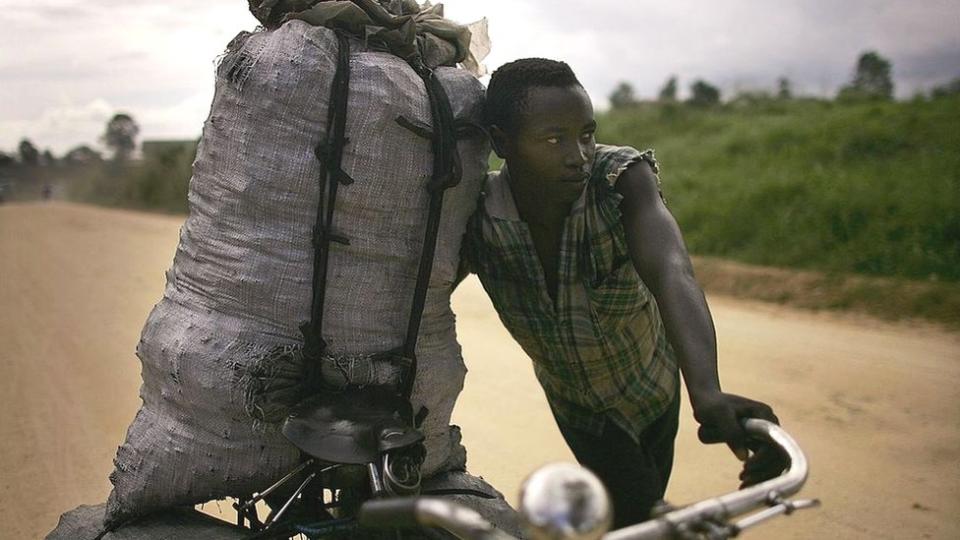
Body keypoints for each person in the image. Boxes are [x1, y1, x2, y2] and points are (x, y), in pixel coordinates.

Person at [462, 58, 785, 527]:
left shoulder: (619, 179)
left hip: (655, 388)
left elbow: (672, 270)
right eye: (554, 139)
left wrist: (707, 392)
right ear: (501, 143)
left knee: (639, 517)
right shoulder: (478, 216)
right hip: (581, 410)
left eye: (586, 134)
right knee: (641, 513)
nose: (578, 154)